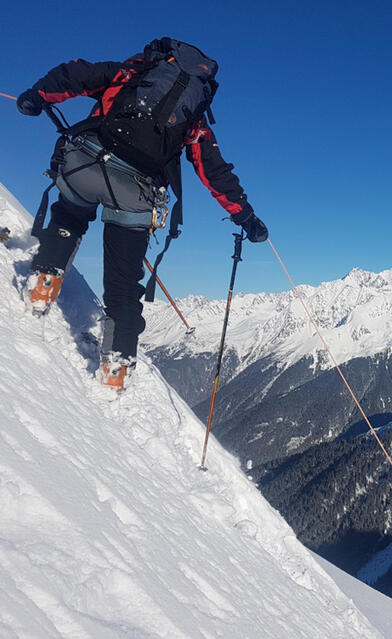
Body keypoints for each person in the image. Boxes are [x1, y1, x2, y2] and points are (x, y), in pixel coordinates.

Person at [17, 38, 267, 391]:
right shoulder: (193, 120)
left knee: (69, 217)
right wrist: (246, 217)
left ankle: (45, 281)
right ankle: (116, 366)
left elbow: (74, 74)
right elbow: (215, 173)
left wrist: (37, 95)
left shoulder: (129, 75)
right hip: (137, 193)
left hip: (87, 163)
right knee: (123, 281)